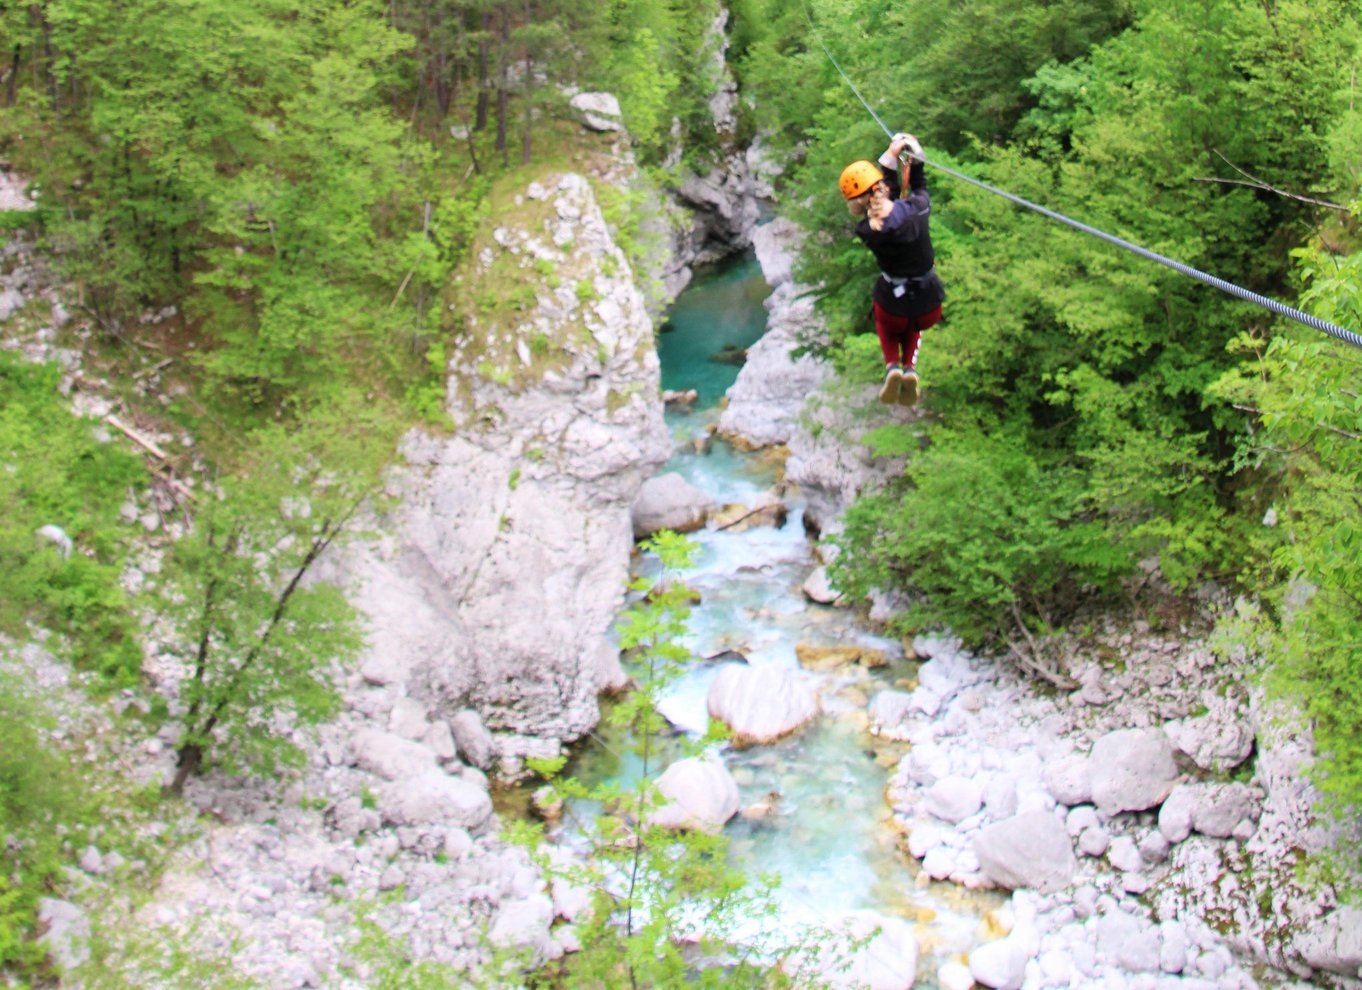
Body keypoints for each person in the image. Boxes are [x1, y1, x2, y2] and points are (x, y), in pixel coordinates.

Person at [839, 132, 944, 406]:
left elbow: (885, 201)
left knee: (886, 319)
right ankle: (909, 366)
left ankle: (892, 366)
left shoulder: (866, 229)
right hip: (928, 304)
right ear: (881, 188)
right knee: (915, 323)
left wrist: (891, 158)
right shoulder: (917, 211)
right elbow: (918, 189)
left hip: (893, 303)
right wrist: (912, 156)